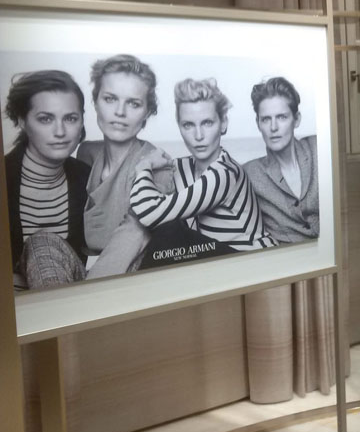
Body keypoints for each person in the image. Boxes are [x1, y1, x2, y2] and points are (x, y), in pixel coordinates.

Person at [19, 55, 174, 288]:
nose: (120, 112)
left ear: (147, 113)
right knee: (41, 241)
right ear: (95, 102)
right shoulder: (86, 152)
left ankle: (72, 307)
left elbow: (135, 234)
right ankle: (61, 305)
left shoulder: (157, 164)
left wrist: (89, 293)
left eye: (133, 103)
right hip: (83, 272)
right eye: (110, 99)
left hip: (128, 277)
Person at [130, 78, 276, 252]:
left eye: (207, 123)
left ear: (223, 123)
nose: (198, 135)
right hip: (214, 258)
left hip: (253, 259)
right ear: (179, 127)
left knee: (169, 230)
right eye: (188, 125)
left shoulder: (225, 173)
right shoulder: (179, 168)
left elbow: (150, 214)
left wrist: (144, 167)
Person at [4, 71, 91, 289]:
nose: (60, 131)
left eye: (70, 118)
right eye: (45, 119)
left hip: (71, 295)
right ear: (22, 121)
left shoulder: (87, 178)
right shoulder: (5, 177)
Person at [243, 77, 320, 242]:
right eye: (266, 119)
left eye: (282, 117)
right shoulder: (250, 173)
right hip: (286, 255)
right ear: (258, 123)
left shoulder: (318, 149)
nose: (273, 127)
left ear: (296, 119)